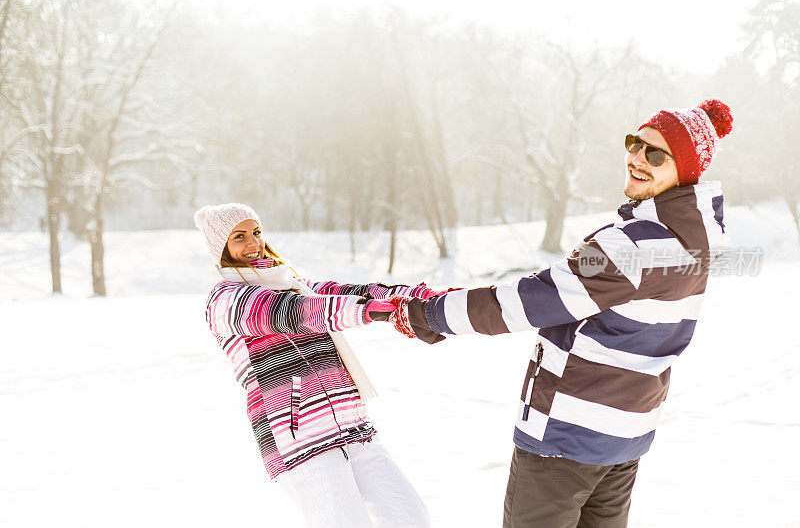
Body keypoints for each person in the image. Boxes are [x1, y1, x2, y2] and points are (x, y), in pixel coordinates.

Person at [389, 99, 734, 527]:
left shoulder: (632, 247)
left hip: (567, 438)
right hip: (623, 438)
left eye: (656, 154)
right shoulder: (696, 241)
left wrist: (429, 314)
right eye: (634, 143)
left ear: (684, 171)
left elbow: (530, 301)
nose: (637, 159)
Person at [194, 203, 437, 528]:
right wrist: (368, 311)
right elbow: (294, 311)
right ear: (220, 246)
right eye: (239, 237)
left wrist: (425, 299)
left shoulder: (291, 280)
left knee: (410, 517)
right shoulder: (224, 300)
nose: (253, 243)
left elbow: (351, 292)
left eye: (256, 232)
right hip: (297, 437)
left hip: (351, 426)